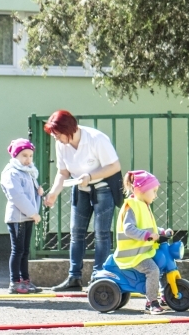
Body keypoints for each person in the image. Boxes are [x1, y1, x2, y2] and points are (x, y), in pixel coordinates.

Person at [42, 110, 122, 291]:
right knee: (76, 233)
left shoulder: (96, 139)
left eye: (58, 134)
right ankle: (74, 277)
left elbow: (114, 166)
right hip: (81, 189)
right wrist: (54, 193)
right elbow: (63, 172)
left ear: (69, 129)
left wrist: (90, 175)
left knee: (101, 234)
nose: (56, 138)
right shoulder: (62, 144)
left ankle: (99, 277)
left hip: (103, 188)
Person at [114, 170, 171, 315]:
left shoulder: (143, 205)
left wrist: (161, 232)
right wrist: (147, 236)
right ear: (141, 189)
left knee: (160, 266)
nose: (155, 195)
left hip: (142, 251)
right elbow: (129, 229)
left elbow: (148, 227)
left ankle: (164, 297)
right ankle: (151, 302)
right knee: (153, 270)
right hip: (133, 255)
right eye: (153, 191)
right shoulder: (132, 206)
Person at [0, 138, 44, 294]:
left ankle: (25, 281)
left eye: (30, 155)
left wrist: (39, 192)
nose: (28, 159)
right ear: (15, 156)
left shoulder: (29, 172)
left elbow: (30, 193)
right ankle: (14, 282)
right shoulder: (12, 173)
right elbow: (17, 196)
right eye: (24, 155)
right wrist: (33, 213)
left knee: (25, 250)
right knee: (17, 250)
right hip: (17, 217)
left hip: (28, 217)